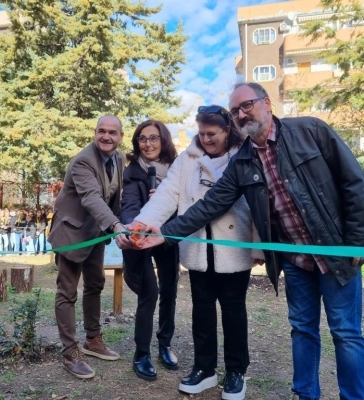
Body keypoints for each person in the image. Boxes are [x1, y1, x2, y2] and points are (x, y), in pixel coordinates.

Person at [119, 83, 364, 400]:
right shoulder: (244, 160)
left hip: (333, 251)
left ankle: (352, 396)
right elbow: (208, 204)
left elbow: (352, 180)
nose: (242, 113)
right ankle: (306, 395)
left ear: (266, 103)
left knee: (345, 332)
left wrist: (356, 240)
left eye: (246, 105)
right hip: (295, 260)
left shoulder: (309, 130)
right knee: (302, 328)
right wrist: (159, 231)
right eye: (236, 110)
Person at [118, 106, 261, 400]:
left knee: (234, 311)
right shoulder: (187, 160)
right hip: (197, 246)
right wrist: (142, 224)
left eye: (213, 133)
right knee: (202, 311)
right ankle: (204, 369)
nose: (206, 139)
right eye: (202, 133)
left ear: (226, 131)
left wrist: (258, 242)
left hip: (232, 247)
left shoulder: (243, 155)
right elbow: (169, 194)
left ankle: (236, 371)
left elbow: (259, 199)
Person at [48, 115, 126, 380]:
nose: (106, 136)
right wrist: (115, 225)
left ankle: (93, 340)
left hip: (95, 233)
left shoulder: (119, 159)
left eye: (112, 132)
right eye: (101, 131)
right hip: (71, 233)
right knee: (67, 292)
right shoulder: (83, 161)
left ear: (120, 137)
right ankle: (70, 353)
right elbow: (91, 197)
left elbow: (115, 195)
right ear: (95, 133)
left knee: (95, 284)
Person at [120, 120, 179, 382]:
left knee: (169, 290)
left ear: (163, 141)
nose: (148, 144)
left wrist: (168, 206)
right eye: (142, 139)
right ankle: (141, 353)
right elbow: (129, 204)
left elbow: (188, 206)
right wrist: (138, 227)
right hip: (140, 238)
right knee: (149, 292)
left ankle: (164, 344)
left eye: (153, 138)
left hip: (166, 237)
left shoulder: (178, 170)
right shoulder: (132, 172)